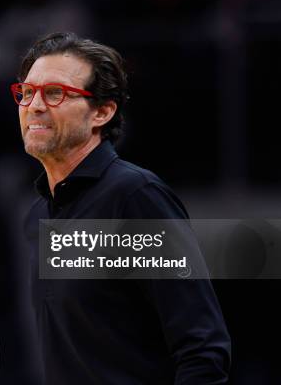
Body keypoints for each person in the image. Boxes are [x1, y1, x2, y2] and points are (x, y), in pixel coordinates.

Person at [13, 32, 231, 384]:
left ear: (102, 112)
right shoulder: (37, 216)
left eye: (55, 93)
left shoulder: (134, 198)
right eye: (26, 92)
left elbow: (202, 348)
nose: (34, 105)